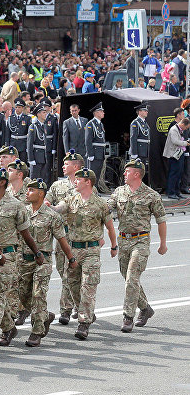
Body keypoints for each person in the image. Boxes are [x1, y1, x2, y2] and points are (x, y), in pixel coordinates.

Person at [49, 168, 117, 340]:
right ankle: (85, 310)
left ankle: (84, 323)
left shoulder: (100, 204)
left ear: (88, 182)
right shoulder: (71, 199)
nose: (75, 182)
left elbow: (109, 227)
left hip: (91, 251)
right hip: (72, 250)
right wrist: (52, 207)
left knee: (88, 285)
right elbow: (60, 208)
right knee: (72, 284)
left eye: (79, 179)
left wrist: (114, 246)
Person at [0, 168, 40, 351]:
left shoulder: (16, 205)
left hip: (6, 257)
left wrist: (37, 252)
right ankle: (9, 328)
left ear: (3, 182)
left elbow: (25, 233)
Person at [107, 159, 167, 333]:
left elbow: (161, 220)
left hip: (141, 241)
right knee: (127, 278)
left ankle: (128, 317)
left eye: (127, 172)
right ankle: (146, 308)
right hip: (123, 240)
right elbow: (106, 209)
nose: (124, 174)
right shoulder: (119, 192)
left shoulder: (151, 195)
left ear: (136, 174)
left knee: (132, 277)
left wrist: (163, 244)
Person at [21, 179, 76, 347]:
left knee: (38, 295)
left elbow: (62, 239)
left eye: (31, 190)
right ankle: (45, 315)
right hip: (23, 260)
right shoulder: (23, 212)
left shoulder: (52, 216)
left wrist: (71, 258)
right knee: (22, 296)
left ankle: (36, 332)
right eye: (27, 189)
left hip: (42, 261)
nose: (27, 192)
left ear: (41, 193)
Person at [47, 150, 84, 324]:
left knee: (73, 272)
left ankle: (66, 309)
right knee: (63, 271)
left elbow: (95, 211)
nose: (63, 166)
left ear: (76, 166)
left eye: (67, 163)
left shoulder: (85, 184)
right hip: (61, 234)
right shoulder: (57, 186)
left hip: (78, 235)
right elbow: (46, 202)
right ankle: (78, 304)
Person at [85, 103, 106, 190]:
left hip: (100, 153)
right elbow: (88, 140)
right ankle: (90, 191)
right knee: (92, 175)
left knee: (97, 174)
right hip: (94, 152)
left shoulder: (100, 124)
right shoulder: (91, 124)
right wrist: (90, 154)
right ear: (96, 113)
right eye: (101, 111)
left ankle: (95, 191)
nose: (103, 113)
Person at [27, 103, 47, 182]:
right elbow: (29, 144)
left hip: (44, 157)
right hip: (36, 156)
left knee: (43, 180)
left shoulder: (44, 126)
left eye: (45, 112)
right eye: (43, 112)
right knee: (34, 180)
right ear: (38, 114)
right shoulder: (33, 126)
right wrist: (31, 159)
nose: (45, 114)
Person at [6, 98, 30, 163]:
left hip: (23, 143)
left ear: (22, 108)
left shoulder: (27, 118)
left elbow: (29, 133)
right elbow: (7, 133)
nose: (17, 109)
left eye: (19, 107)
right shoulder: (11, 118)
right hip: (13, 143)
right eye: (16, 107)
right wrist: (7, 145)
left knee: (22, 162)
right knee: (12, 162)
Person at [129, 102, 150, 170]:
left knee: (142, 171)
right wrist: (134, 153)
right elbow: (133, 138)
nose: (147, 112)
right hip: (138, 152)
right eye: (145, 110)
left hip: (144, 151)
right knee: (137, 171)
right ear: (140, 112)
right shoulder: (135, 123)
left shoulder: (145, 123)